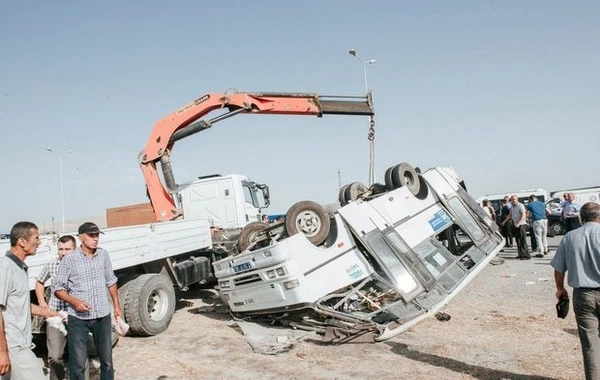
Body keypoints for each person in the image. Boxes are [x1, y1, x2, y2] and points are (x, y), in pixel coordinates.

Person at [53, 222, 120, 380]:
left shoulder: (103, 255)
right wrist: (74, 301)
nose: (95, 239)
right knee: (78, 363)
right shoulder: (69, 260)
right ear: (81, 237)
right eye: (91, 235)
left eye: (97, 235)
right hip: (78, 319)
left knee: (107, 361)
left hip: (102, 316)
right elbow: (57, 288)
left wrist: (116, 306)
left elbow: (111, 281)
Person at [0, 221, 60, 380]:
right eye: (36, 238)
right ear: (21, 241)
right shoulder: (5, 267)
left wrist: (51, 313)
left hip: (19, 345)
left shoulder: (19, 267)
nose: (39, 242)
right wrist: (2, 351)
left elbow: (21, 305)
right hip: (14, 347)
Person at [551, 202, 600, 380]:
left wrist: (560, 288)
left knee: (590, 344)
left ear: (580, 218)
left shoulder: (569, 237)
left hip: (583, 295)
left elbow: (558, 268)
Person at [35, 235, 76, 380]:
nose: (63, 253)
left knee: (79, 355)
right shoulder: (52, 265)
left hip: (75, 315)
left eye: (67, 249)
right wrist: (41, 301)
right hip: (55, 316)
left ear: (75, 249)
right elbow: (40, 282)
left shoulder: (81, 265)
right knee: (54, 357)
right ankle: (61, 376)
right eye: (61, 249)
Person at [501, 195, 530, 259]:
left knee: (523, 240)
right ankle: (521, 254)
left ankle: (526, 255)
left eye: (514, 199)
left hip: (521, 225)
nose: (513, 200)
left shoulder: (520, 206)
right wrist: (504, 222)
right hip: (515, 225)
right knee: (518, 240)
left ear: (517, 199)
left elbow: (523, 215)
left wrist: (519, 223)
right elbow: (510, 215)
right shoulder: (512, 207)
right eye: (512, 199)